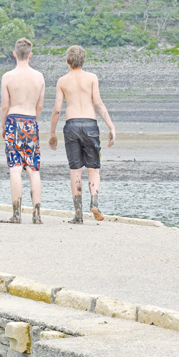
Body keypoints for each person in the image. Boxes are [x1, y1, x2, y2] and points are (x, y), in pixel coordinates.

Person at [48, 45, 116, 224]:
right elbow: (98, 104)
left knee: (75, 169)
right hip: (90, 125)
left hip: (71, 126)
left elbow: (57, 110)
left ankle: (78, 215)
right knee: (93, 168)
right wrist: (111, 126)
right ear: (84, 60)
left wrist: (52, 132)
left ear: (67, 61)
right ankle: (94, 202)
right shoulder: (92, 78)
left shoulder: (62, 81)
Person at [0, 38, 46, 224]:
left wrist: (4, 126)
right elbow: (40, 105)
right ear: (30, 55)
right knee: (33, 169)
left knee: (15, 168)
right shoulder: (39, 77)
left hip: (13, 121)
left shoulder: (8, 77)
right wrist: (33, 122)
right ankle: (37, 214)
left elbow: (4, 106)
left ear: (14, 54)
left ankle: (17, 214)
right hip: (30, 121)